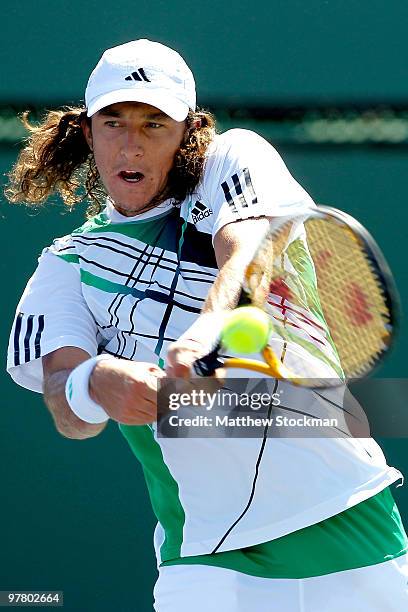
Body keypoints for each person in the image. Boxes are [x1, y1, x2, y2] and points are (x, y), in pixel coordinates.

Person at [5, 39, 408, 612]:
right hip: (206, 560)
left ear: (188, 133)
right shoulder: (66, 264)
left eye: (154, 124)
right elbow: (65, 405)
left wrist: (208, 326)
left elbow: (245, 252)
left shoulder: (233, 158)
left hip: (351, 524)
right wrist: (95, 382)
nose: (131, 142)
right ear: (88, 132)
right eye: (114, 121)